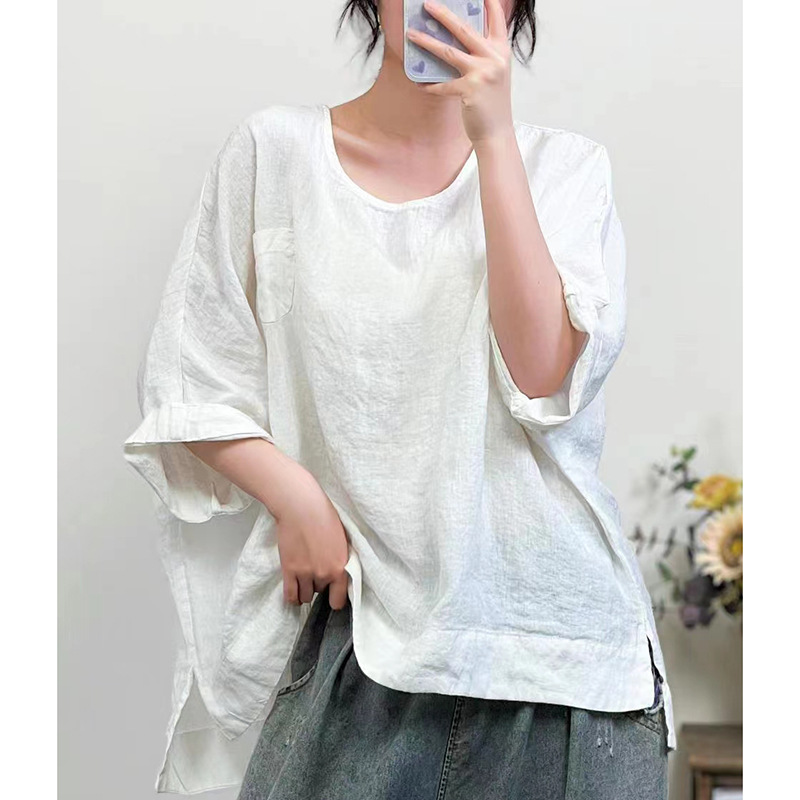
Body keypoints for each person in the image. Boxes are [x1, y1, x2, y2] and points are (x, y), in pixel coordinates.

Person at [122, 1, 675, 797]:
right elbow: (190, 377)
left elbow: (541, 377)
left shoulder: (566, 167)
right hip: (355, 634)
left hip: (561, 663)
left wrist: (493, 137)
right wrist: (294, 495)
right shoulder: (274, 154)